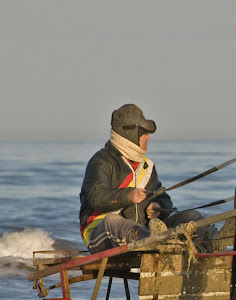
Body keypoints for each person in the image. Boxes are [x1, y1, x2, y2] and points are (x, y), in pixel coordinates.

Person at [79, 103, 215, 254]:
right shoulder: (101, 161)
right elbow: (96, 197)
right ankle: (163, 244)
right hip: (101, 235)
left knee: (192, 217)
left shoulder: (146, 166)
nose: (148, 137)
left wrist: (158, 206)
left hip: (143, 233)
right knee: (114, 221)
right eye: (144, 132)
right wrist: (128, 196)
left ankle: (214, 240)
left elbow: (164, 197)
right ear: (130, 133)